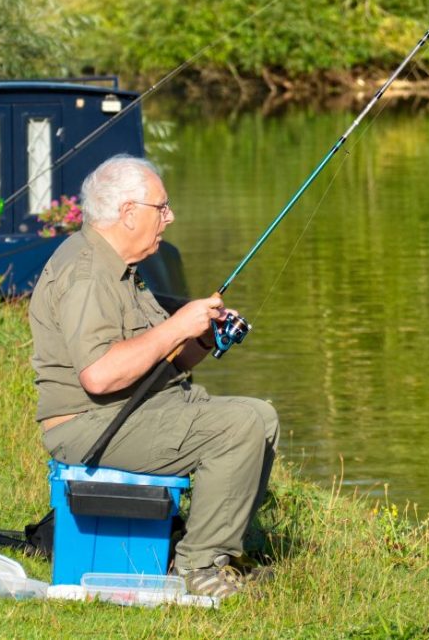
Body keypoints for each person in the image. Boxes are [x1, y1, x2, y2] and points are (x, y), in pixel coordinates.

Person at [28, 154, 279, 598]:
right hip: (88, 425)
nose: (170, 217)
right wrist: (177, 325)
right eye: (161, 208)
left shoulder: (121, 269)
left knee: (262, 418)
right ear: (128, 213)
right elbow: (100, 376)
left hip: (131, 410)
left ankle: (210, 551)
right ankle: (199, 568)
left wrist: (201, 338)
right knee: (238, 427)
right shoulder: (87, 273)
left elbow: (161, 363)